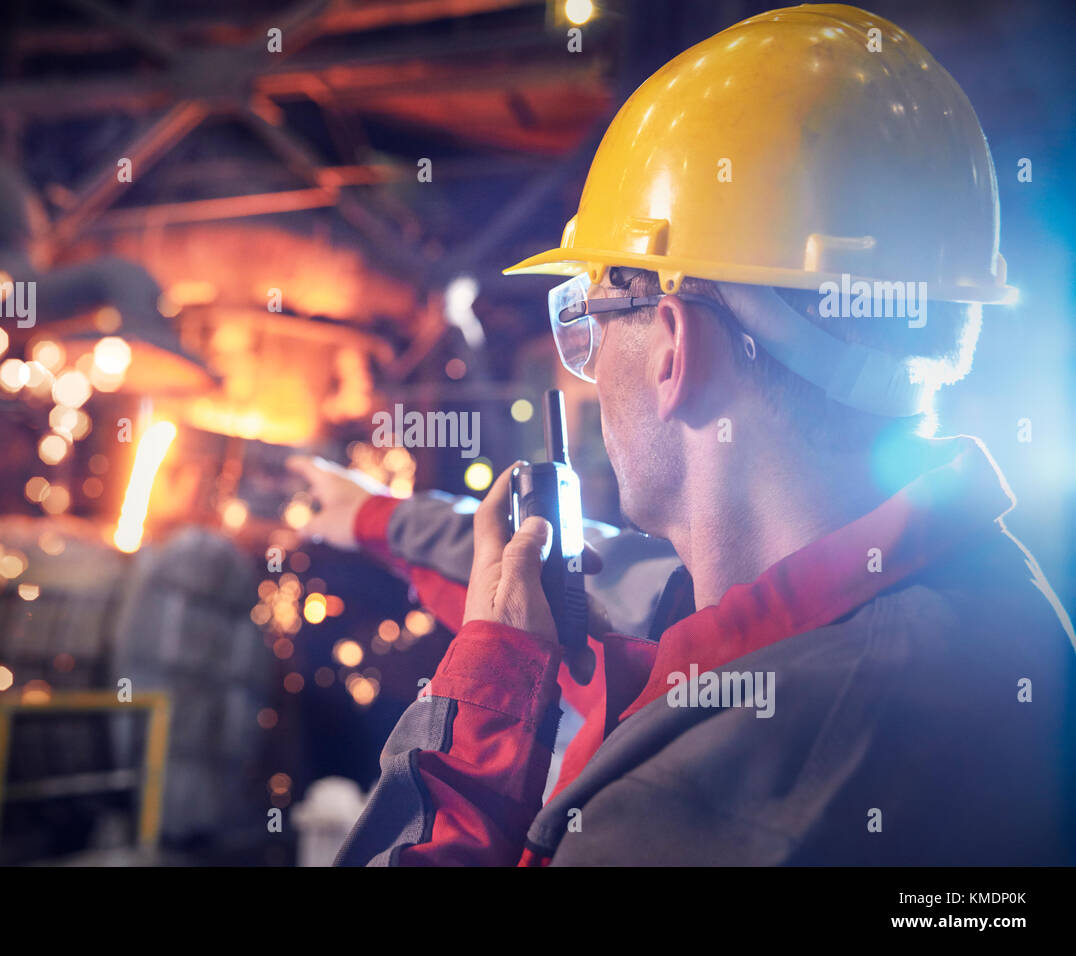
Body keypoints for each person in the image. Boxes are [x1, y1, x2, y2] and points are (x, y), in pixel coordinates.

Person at [291, 4, 1076, 865]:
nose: (587, 368)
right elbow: (614, 581)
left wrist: (484, 701)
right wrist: (371, 518)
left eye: (588, 322)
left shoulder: (693, 809)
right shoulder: (974, 597)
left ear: (673, 344)